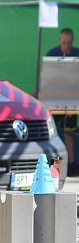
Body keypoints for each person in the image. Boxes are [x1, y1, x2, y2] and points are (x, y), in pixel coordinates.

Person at [46, 28, 79, 174]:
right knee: (54, 134)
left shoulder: (77, 54)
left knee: (68, 133)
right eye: (64, 42)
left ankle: (71, 165)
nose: (66, 45)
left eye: (69, 43)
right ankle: (56, 165)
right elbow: (46, 77)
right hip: (54, 100)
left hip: (72, 101)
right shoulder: (52, 54)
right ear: (60, 40)